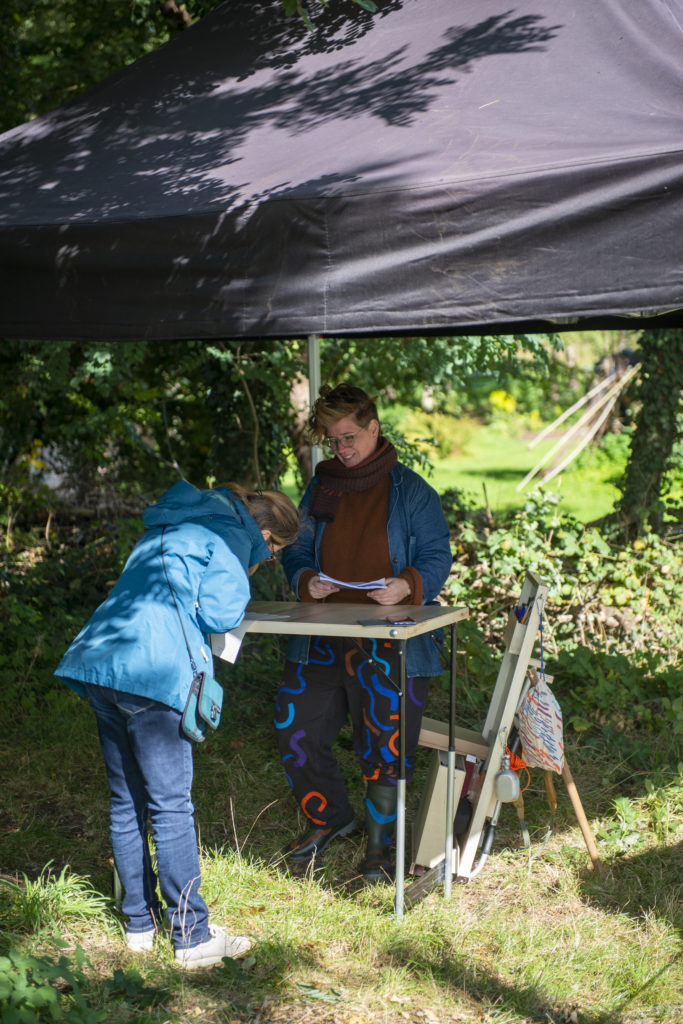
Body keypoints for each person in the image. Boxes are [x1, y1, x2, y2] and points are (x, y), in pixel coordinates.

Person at [55, 480, 299, 969]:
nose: (268, 559)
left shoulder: (170, 520)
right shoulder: (231, 535)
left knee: (127, 802)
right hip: (154, 672)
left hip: (103, 662)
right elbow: (222, 611)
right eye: (273, 550)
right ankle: (191, 937)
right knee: (171, 806)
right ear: (264, 530)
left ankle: (139, 926)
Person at [275, 384, 452, 883]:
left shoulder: (412, 491)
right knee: (297, 732)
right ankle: (329, 817)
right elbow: (296, 547)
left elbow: (438, 556)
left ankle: (381, 848)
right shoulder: (322, 486)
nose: (342, 448)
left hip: (390, 640)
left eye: (349, 436)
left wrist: (409, 585)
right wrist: (305, 577)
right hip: (322, 636)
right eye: (333, 441)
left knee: (386, 745)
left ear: (374, 428)